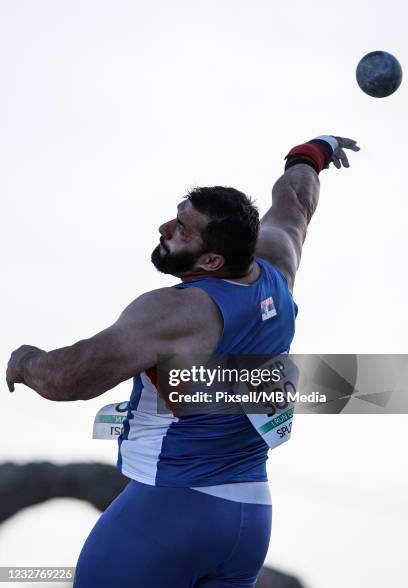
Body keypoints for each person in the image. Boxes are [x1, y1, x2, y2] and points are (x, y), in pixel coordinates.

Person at [6, 134, 360, 588]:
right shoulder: (277, 260)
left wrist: (27, 362)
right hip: (249, 517)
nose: (164, 230)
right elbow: (295, 199)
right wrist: (313, 153)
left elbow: (70, 379)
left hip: (171, 512)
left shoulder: (177, 313)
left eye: (182, 230)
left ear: (212, 259)